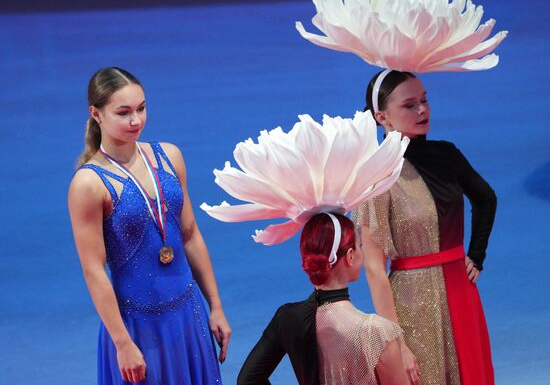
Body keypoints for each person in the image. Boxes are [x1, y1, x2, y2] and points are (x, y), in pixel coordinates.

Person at [68, 67, 230, 384]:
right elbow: (94, 270)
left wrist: (217, 306)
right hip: (136, 327)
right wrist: (122, 342)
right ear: (96, 113)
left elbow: (190, 234)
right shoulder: (88, 184)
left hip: (188, 315)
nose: (136, 120)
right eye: (123, 112)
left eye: (141, 108)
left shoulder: (169, 157)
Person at [353, 70, 496, 384]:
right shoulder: (377, 173)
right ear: (383, 117)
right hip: (412, 304)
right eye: (409, 105)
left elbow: (486, 199)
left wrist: (476, 255)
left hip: (462, 292)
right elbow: (375, 270)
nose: (422, 110)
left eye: (425, 100)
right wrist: (398, 342)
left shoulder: (447, 154)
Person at [238, 213, 409, 385]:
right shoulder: (377, 332)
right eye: (360, 245)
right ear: (350, 256)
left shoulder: (287, 318)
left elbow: (247, 380)